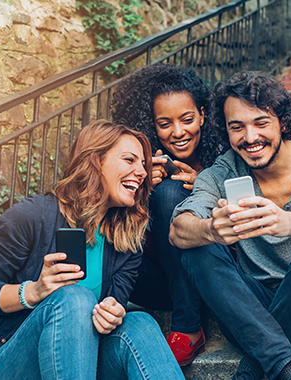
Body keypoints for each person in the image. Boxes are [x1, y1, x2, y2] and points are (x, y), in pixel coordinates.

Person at [169, 72, 291, 380]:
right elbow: (178, 229)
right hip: (251, 316)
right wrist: (211, 229)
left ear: (283, 122)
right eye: (237, 127)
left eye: (261, 123)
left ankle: (253, 369)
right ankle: (288, 368)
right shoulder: (221, 172)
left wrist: (290, 221)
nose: (249, 138)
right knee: (197, 249)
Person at [0, 120, 185, 379]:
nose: (141, 171)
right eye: (129, 160)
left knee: (140, 322)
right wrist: (33, 291)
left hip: (79, 362)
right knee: (75, 299)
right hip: (11, 361)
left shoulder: (126, 239)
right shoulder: (33, 215)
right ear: (95, 161)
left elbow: (114, 303)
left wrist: (113, 313)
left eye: (143, 164)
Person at [111, 63, 227, 365]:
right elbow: (123, 239)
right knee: (161, 195)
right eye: (165, 124)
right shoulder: (139, 163)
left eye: (187, 119)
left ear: (203, 114)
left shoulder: (226, 154)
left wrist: (205, 184)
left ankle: (187, 328)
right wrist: (138, 187)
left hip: (215, 273)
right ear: (152, 125)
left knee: (171, 194)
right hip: (162, 279)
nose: (178, 132)